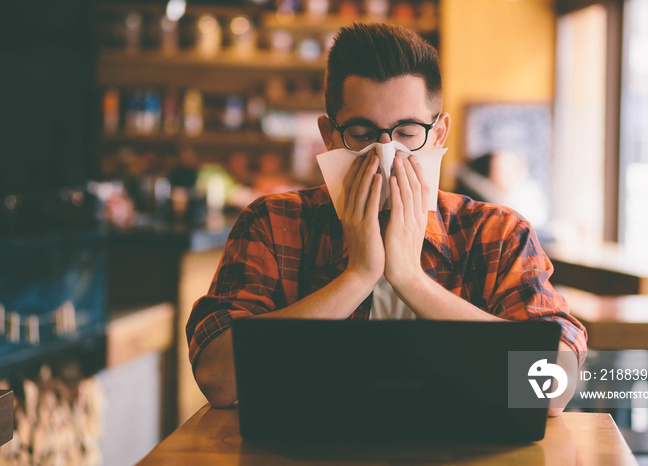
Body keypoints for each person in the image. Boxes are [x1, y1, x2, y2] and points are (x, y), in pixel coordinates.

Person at [186, 23, 587, 415]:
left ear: (439, 133)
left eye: (407, 132)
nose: (385, 154)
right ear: (328, 135)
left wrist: (411, 279)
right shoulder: (273, 224)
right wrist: (357, 276)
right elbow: (218, 379)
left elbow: (553, 388)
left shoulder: (498, 233)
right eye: (361, 133)